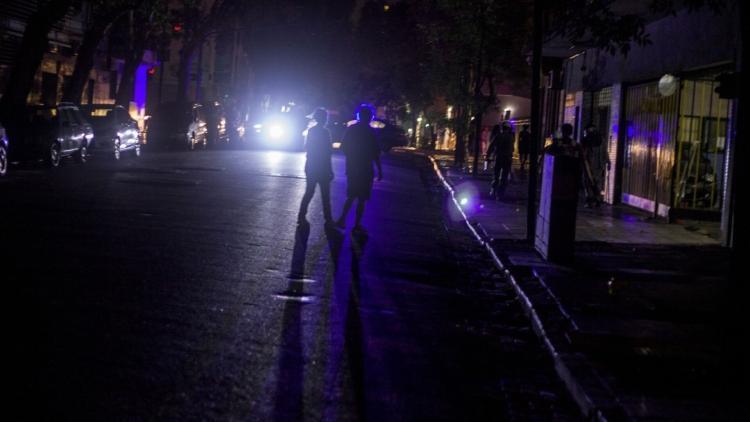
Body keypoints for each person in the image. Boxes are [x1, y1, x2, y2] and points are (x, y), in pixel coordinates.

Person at [336, 104, 383, 232]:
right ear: (370, 117)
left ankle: (342, 219)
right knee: (362, 199)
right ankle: (356, 224)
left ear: (359, 116)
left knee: (351, 196)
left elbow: (343, 147)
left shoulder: (352, 129)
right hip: (366, 169)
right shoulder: (371, 132)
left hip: (353, 167)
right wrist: (379, 170)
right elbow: (376, 153)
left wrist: (351, 158)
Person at [297, 107, 334, 226]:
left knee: (309, 192)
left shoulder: (312, 131)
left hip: (312, 165)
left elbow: (308, 148)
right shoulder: (325, 132)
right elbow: (327, 153)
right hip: (322, 167)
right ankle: (328, 219)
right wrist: (330, 170)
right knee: (325, 195)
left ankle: (301, 216)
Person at [581, 124, 609, 207]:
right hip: (596, 164)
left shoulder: (588, 140)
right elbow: (605, 152)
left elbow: (604, 151)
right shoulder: (600, 140)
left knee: (589, 183)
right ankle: (595, 199)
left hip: (590, 164)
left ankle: (592, 199)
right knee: (595, 182)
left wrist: (607, 161)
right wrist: (608, 161)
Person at [486, 122, 514, 198]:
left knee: (496, 175)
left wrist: (488, 156)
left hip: (498, 157)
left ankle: (493, 191)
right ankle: (501, 193)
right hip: (507, 158)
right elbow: (511, 149)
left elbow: (491, 146)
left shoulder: (498, 136)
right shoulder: (510, 137)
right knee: (504, 176)